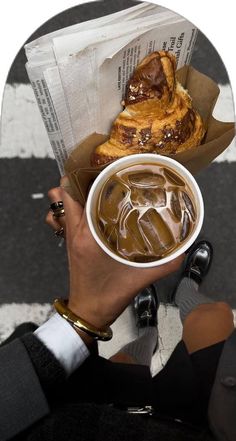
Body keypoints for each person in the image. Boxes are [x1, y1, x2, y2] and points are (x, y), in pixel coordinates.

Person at [0, 177, 234, 441]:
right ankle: (187, 288)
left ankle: (148, 326)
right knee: (213, 316)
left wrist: (82, 317)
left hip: (101, 406)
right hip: (218, 414)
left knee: (126, 360)